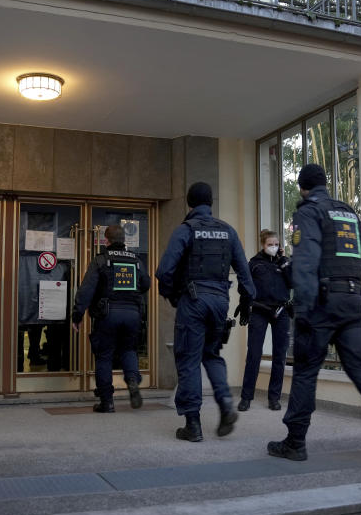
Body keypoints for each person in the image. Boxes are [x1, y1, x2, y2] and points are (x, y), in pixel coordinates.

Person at [266, 164, 361, 470]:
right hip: (352, 301)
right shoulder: (348, 213)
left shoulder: (309, 212)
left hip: (322, 302)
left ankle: (295, 442)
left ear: (302, 188)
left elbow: (306, 262)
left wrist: (306, 309)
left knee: (306, 370)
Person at [156, 182, 256, 442]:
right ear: (210, 203)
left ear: (189, 203)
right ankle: (225, 404)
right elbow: (246, 275)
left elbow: (164, 270)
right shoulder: (228, 231)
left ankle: (193, 425)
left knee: (189, 359)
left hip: (194, 301)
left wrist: (173, 296)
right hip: (220, 301)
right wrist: (246, 302)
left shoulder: (186, 229)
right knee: (211, 355)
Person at [72, 225, 151, 413]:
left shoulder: (101, 260)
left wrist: (77, 315)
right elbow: (146, 284)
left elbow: (86, 290)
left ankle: (107, 402)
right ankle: (132, 380)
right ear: (124, 240)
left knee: (104, 356)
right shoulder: (136, 261)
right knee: (129, 350)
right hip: (132, 314)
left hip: (107, 314)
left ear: (106, 240)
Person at [237, 229, 293, 412]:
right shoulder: (253, 264)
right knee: (254, 354)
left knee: (279, 356)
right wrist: (245, 306)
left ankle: (274, 398)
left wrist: (285, 263)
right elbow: (243, 287)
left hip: (281, 311)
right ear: (263, 245)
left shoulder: (284, 262)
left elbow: (293, 283)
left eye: (276, 244)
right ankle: (246, 398)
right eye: (270, 244)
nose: (273, 247)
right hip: (260, 311)